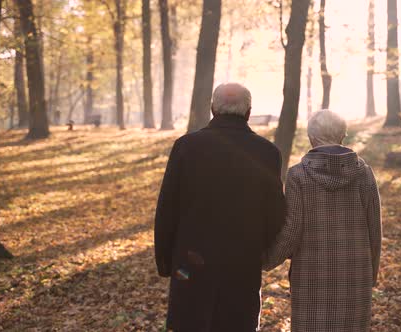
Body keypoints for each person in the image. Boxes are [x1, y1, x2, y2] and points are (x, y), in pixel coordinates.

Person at [154, 83, 286, 332]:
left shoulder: (186, 147)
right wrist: (261, 248)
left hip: (190, 265)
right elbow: (276, 214)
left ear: (213, 108)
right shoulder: (267, 153)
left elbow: (167, 209)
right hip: (242, 263)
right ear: (248, 112)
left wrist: (165, 261)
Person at [263, 110, 382, 331]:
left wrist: (266, 260)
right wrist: (371, 276)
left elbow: (291, 231)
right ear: (342, 137)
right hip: (355, 277)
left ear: (311, 138)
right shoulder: (364, 174)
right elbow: (374, 230)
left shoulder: (298, 176)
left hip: (311, 277)